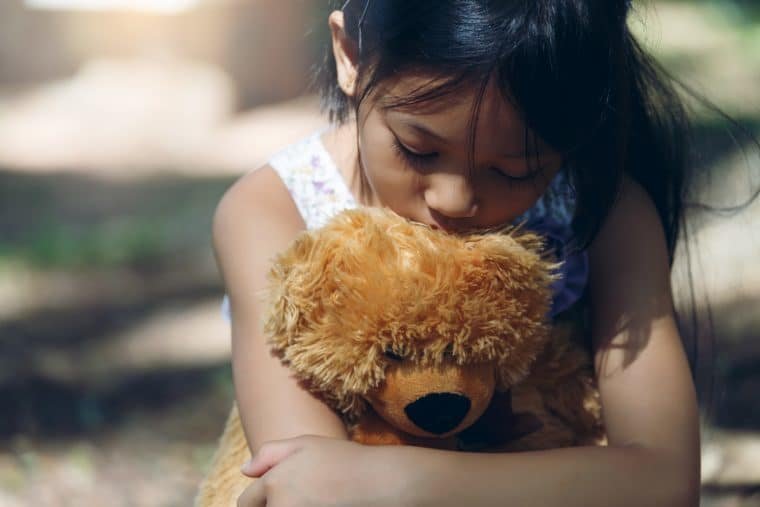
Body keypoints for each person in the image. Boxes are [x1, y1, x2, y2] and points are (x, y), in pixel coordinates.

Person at [211, 1, 708, 505]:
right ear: (350, 57)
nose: (454, 200)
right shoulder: (275, 210)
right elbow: (299, 479)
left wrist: (397, 482)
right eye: (417, 149)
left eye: (514, 171)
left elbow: (665, 478)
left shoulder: (603, 213)